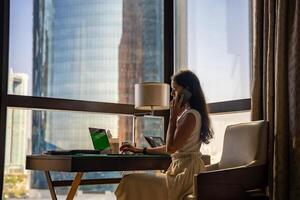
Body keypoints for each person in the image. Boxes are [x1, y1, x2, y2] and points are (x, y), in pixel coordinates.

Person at [115, 70, 213, 200]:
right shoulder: (188, 114)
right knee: (132, 180)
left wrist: (172, 119)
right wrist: (141, 150)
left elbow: (170, 149)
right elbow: (173, 147)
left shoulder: (190, 116)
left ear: (187, 91)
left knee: (130, 181)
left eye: (175, 89)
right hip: (180, 170)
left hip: (185, 174)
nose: (172, 94)